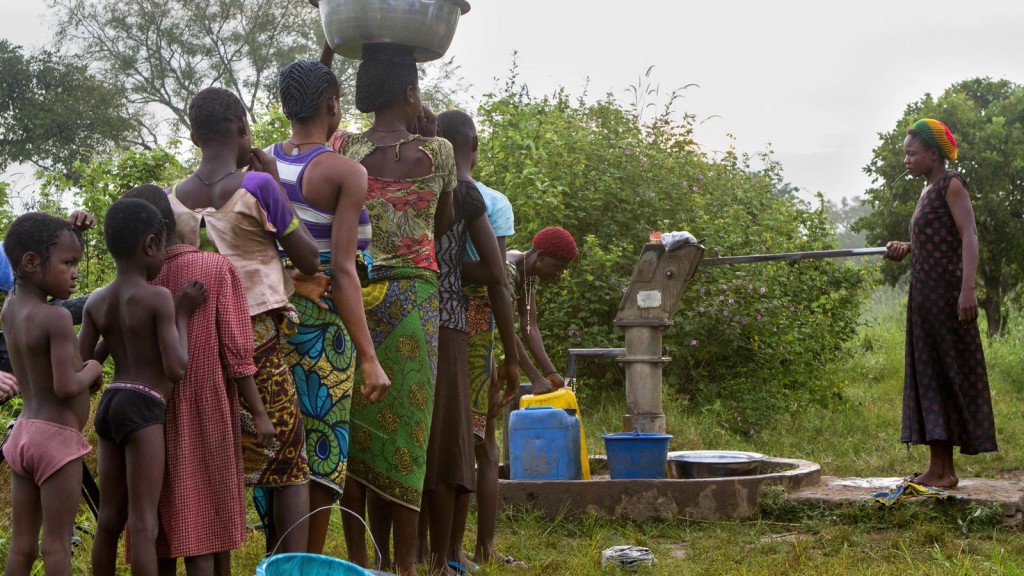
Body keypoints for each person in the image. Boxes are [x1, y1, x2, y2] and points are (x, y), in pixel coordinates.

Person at [167, 86, 321, 554]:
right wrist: (274, 181)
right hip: (256, 339)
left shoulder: (172, 199)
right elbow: (310, 261)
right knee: (290, 466)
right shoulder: (259, 186)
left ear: (194, 136)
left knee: (215, 454)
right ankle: (286, 565)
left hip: (195, 343)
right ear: (241, 130)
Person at [324, 42, 455, 576]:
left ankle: (359, 561)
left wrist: (329, 49)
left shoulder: (343, 149)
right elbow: (445, 219)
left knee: (356, 425)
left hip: (358, 293)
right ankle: (404, 564)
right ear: (409, 91)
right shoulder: (440, 152)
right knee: (410, 429)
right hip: (417, 300)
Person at [269, 59, 390, 554]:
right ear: (332, 105)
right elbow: (341, 271)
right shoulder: (344, 172)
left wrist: (288, 280)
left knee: (279, 443)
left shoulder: (262, 165)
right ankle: (307, 562)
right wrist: (368, 356)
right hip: (323, 327)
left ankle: (278, 557)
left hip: (269, 320)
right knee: (321, 449)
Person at [122, 185, 271, 576]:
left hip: (149, 413)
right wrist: (259, 413)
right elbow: (239, 355)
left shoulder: (135, 284)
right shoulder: (216, 269)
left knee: (161, 516)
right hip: (208, 406)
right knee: (210, 516)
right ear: (174, 223)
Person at [79, 198, 206, 576]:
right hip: (145, 406)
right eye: (162, 251)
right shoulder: (159, 297)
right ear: (151, 244)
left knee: (109, 518)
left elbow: (81, 362)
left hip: (111, 403)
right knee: (143, 523)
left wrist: (112, 337)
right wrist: (182, 312)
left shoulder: (97, 301)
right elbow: (177, 367)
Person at [419, 110, 521, 575]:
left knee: (426, 438)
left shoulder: (411, 182)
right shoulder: (477, 197)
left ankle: (413, 552)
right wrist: (514, 358)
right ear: (474, 146)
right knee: (468, 443)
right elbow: (497, 278)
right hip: (463, 324)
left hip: (408, 318)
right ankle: (455, 553)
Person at [884, 118, 996, 489]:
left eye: (912, 153)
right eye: (905, 154)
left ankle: (944, 472)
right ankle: (939, 467)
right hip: (925, 298)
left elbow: (969, 236)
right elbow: (938, 238)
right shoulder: (927, 190)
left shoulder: (952, 185)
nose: (907, 160)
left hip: (948, 296)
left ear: (934, 154)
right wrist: (907, 247)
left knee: (944, 375)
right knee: (930, 375)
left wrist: (968, 290)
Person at [1, 212, 103, 576]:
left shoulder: (10, 309)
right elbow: (66, 384)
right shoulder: (55, 318)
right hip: (56, 441)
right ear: (30, 262)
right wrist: (93, 369)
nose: (75, 272)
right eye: (68, 263)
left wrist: (72, 232)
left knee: (23, 544)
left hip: (24, 434)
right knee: (57, 545)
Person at [506, 226, 578, 395]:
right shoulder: (508, 268)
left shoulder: (529, 272)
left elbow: (530, 325)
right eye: (557, 267)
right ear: (540, 256)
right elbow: (506, 330)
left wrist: (550, 373)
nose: (558, 274)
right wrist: (535, 378)